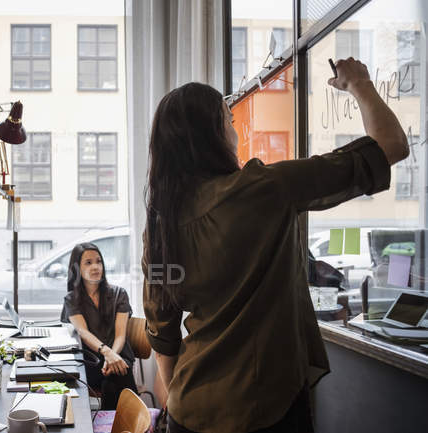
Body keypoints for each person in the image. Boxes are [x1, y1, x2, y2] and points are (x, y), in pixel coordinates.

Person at [142, 58, 408, 433]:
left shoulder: (161, 225)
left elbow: (162, 333)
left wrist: (174, 401)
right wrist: (360, 82)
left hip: (190, 411)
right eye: (229, 121)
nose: (235, 132)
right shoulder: (265, 189)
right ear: (214, 134)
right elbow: (391, 145)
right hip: (263, 411)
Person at [60, 242, 138, 409]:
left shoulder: (119, 294)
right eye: (88, 263)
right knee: (112, 376)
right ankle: (128, 420)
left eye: (98, 261)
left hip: (119, 354)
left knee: (117, 372)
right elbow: (83, 332)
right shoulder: (71, 299)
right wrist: (106, 352)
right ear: (77, 268)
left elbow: (120, 335)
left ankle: (123, 421)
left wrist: (112, 356)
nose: (95, 267)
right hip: (93, 359)